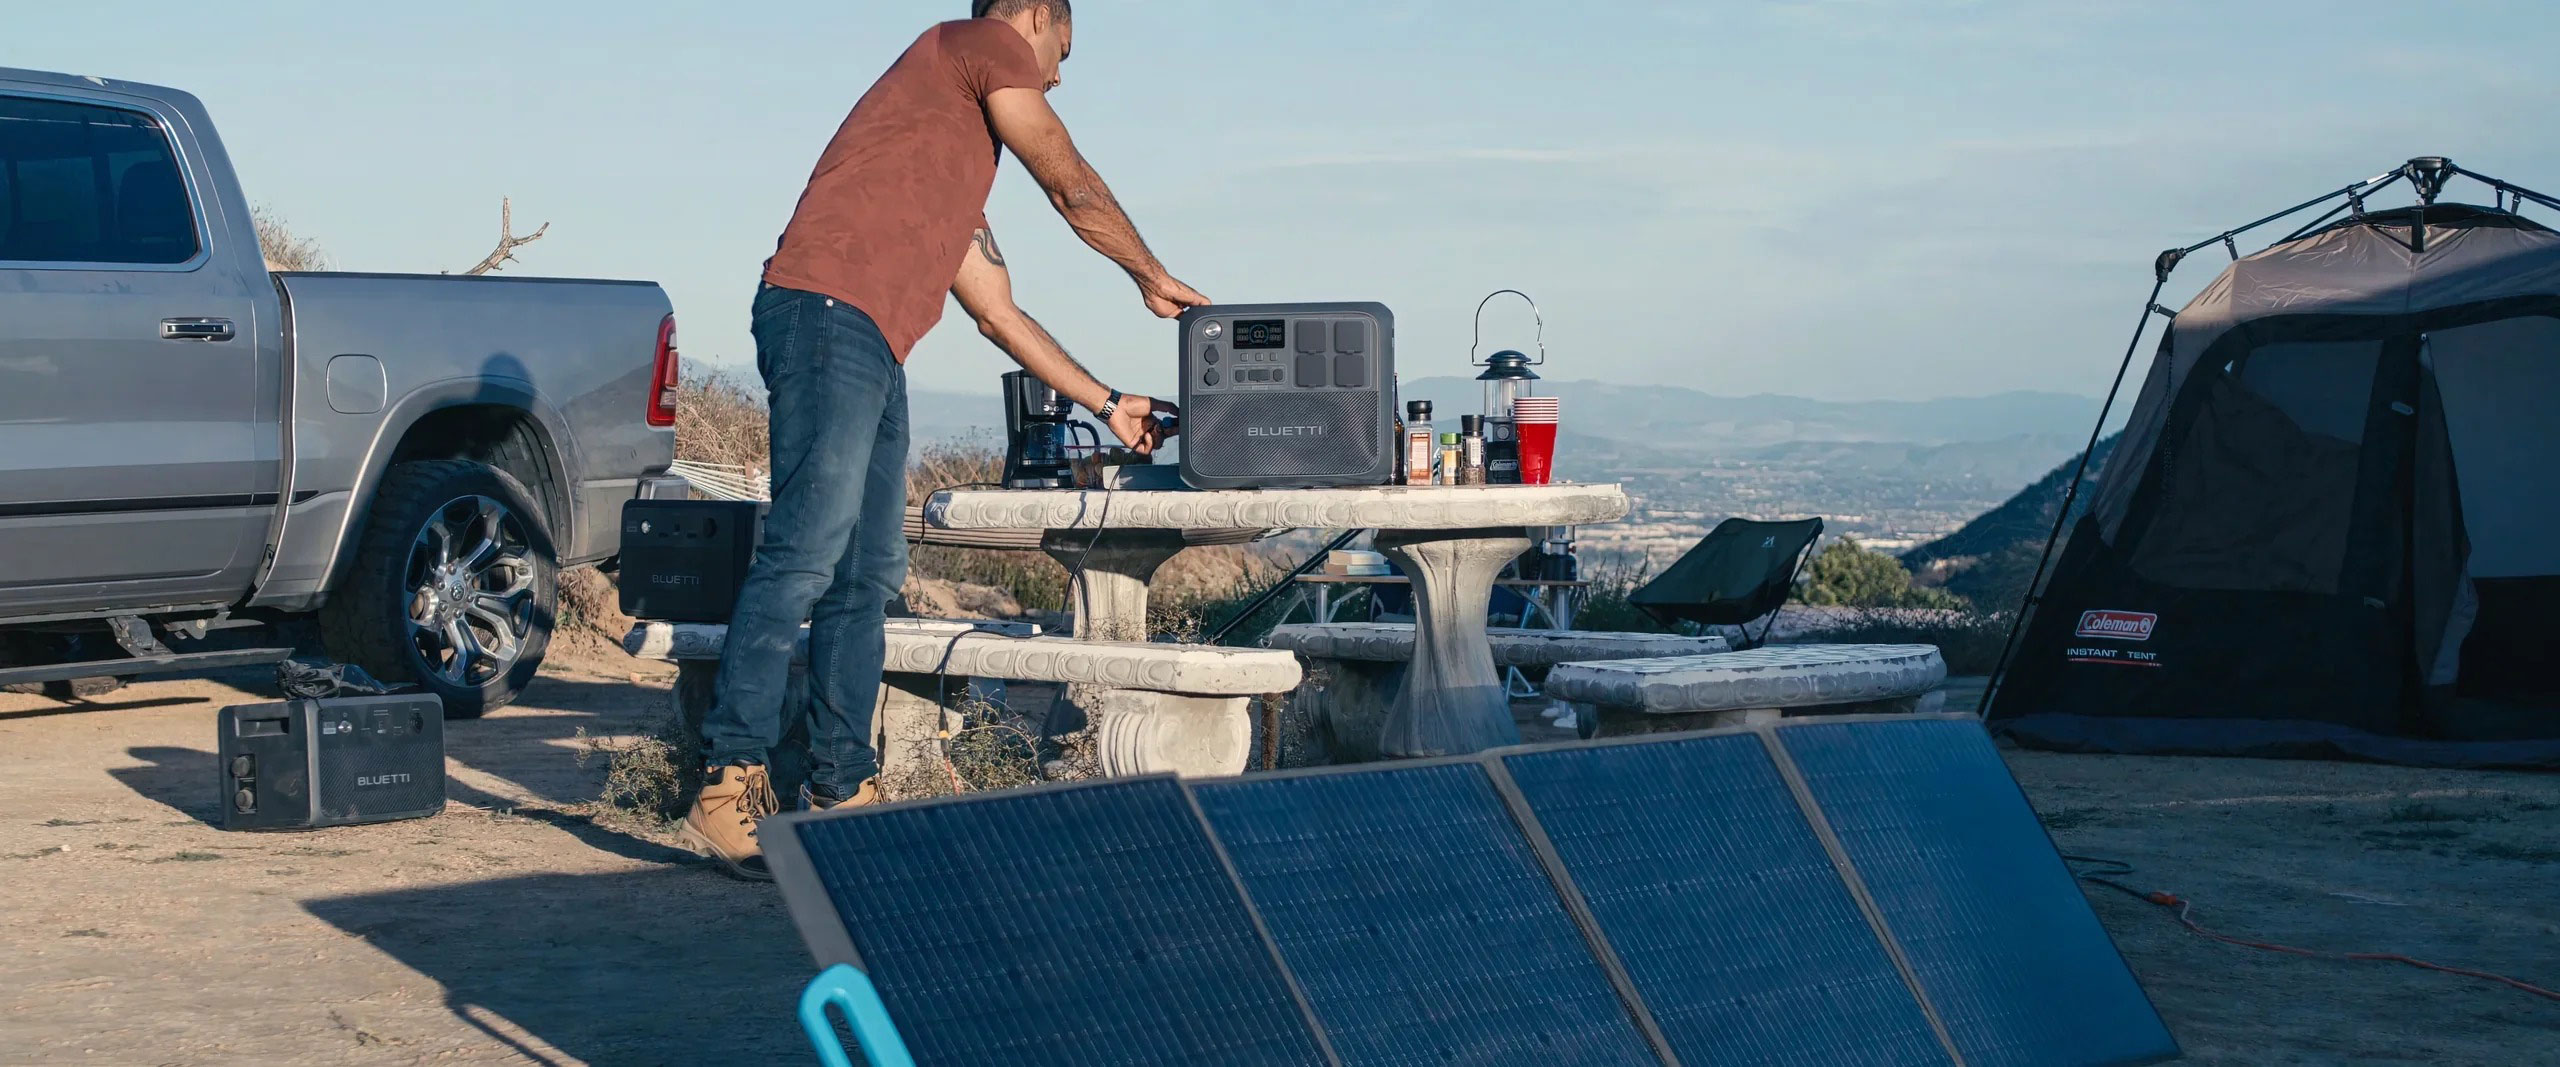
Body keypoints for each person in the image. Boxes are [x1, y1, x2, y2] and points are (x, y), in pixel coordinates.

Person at [681, 0, 1209, 880]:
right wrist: (1150, 275)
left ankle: (839, 789)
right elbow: (1071, 185)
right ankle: (726, 778)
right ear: (1032, 14)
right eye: (1062, 50)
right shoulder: (977, 44)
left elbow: (999, 315)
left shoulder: (939, 151)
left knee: (867, 570)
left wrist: (1109, 402)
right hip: (826, 314)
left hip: (872, 340)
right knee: (805, 551)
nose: (1057, 76)